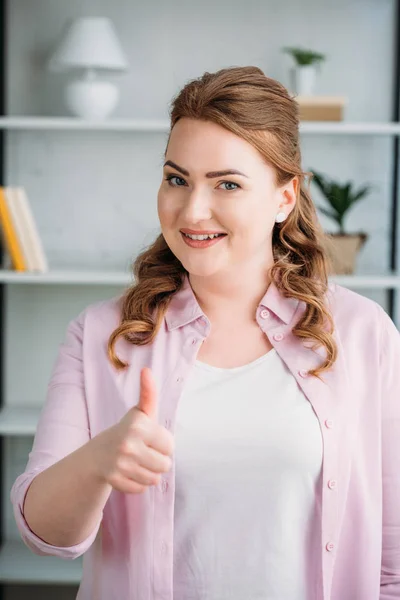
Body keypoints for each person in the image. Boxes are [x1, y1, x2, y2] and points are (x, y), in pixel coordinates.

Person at [10, 66, 400, 600]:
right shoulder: (102, 334)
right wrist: (100, 461)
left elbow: (392, 560)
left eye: (228, 184)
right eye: (177, 179)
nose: (192, 211)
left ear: (285, 197)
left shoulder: (361, 334)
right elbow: (44, 536)